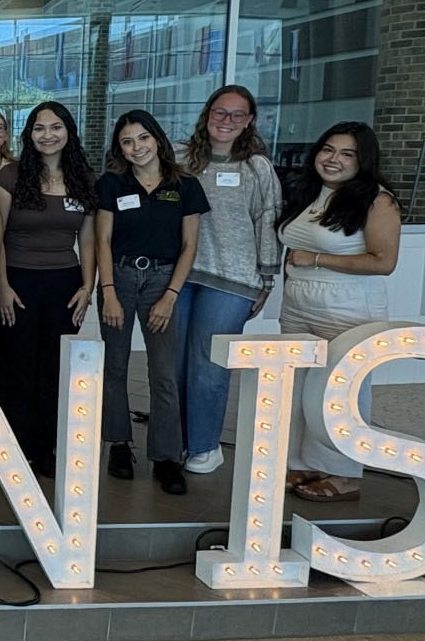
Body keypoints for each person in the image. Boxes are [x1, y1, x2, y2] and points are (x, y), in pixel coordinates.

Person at [278, 121, 402, 503]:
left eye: (347, 153)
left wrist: (316, 259)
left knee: (340, 390)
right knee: (300, 386)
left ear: (363, 160)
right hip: (300, 302)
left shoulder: (377, 200)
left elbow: (384, 261)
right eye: (328, 149)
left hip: (347, 305)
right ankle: (304, 461)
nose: (333, 159)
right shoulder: (311, 193)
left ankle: (345, 474)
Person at [95, 111, 208, 495]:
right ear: (120, 148)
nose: (136, 148)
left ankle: (165, 457)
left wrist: (171, 295)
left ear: (157, 139)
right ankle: (120, 446)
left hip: (163, 279)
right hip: (120, 278)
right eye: (127, 142)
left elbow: (190, 245)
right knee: (115, 366)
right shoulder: (112, 184)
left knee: (162, 372)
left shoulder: (185, 185)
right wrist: (108, 290)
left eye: (143, 138)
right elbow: (103, 241)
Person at [176, 85, 283, 476]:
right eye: (221, 113)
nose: (227, 121)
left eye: (238, 115)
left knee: (208, 365)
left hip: (232, 280)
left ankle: (205, 446)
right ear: (208, 114)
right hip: (181, 276)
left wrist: (267, 279)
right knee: (175, 362)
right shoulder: (181, 159)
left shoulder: (257, 168)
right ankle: (179, 442)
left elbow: (267, 223)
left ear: (249, 120)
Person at [0, 102, 97, 478]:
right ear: (29, 134)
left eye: (55, 127)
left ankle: (45, 447)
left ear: (69, 131)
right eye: (39, 128)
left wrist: (88, 285)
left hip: (65, 283)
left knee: (54, 368)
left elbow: (87, 235)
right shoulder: (11, 177)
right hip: (16, 280)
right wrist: (0, 286)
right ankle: (10, 448)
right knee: (14, 366)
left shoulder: (84, 178)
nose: (47, 135)